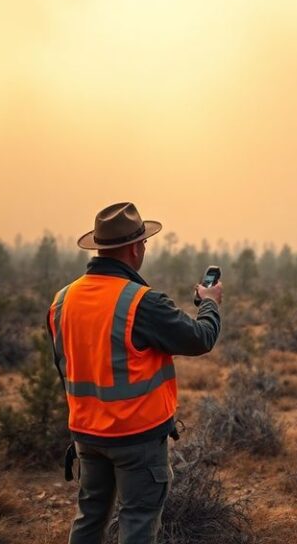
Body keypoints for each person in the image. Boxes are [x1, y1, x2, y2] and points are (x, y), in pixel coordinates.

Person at [47, 202, 222, 544]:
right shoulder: (142, 302)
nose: (144, 248)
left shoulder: (62, 300)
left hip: (86, 434)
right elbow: (201, 339)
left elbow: (64, 365)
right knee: (138, 524)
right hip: (136, 438)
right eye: (143, 242)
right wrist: (211, 303)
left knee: (89, 519)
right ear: (134, 248)